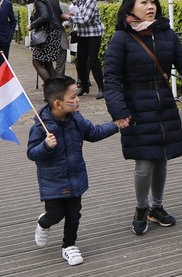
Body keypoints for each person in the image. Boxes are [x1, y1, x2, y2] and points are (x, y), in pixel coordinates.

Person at [103, 0, 182, 235]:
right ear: (130, 7)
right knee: (144, 164)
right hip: (136, 107)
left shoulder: (166, 34)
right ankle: (141, 208)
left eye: (152, 2)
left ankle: (157, 207)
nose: (150, 6)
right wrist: (118, 111)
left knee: (161, 158)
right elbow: (111, 78)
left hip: (163, 105)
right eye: (144, 2)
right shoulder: (121, 38)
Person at [27, 75, 127, 266]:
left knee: (74, 214)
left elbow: (94, 133)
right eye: (73, 97)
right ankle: (44, 223)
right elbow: (32, 153)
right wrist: (45, 146)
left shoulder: (76, 119)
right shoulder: (41, 128)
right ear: (58, 103)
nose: (78, 99)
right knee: (56, 215)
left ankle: (69, 245)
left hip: (76, 177)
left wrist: (116, 125)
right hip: (53, 182)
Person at [67, 0, 105, 98]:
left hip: (93, 34)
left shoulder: (90, 1)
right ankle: (84, 85)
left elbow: (85, 20)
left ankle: (102, 88)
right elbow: (79, 16)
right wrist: (71, 19)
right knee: (80, 60)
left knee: (93, 60)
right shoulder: (78, 2)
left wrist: (68, 18)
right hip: (82, 34)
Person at [29, 0, 65, 83]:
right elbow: (59, 15)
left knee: (36, 62)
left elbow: (44, 16)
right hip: (56, 33)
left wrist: (32, 25)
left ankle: (51, 86)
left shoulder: (40, 0)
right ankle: (56, 88)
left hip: (46, 34)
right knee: (48, 62)